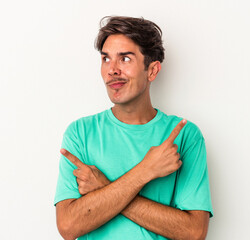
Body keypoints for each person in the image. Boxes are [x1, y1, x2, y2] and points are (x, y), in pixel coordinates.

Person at [54, 16, 213, 240]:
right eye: (106, 59)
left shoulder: (185, 135)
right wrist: (145, 171)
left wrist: (104, 188)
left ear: (152, 71)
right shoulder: (80, 133)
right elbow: (69, 226)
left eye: (125, 59)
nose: (112, 70)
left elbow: (194, 232)